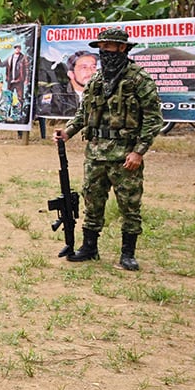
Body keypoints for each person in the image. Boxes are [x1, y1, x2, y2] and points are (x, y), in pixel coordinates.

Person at [55, 28, 163, 271]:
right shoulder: (96, 80)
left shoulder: (139, 79)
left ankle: (128, 254)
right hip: (96, 153)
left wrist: (139, 151)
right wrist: (68, 132)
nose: (104, 52)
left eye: (109, 47)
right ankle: (89, 248)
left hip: (125, 155)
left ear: (122, 48)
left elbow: (153, 118)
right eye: (101, 48)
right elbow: (84, 113)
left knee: (129, 205)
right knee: (92, 201)